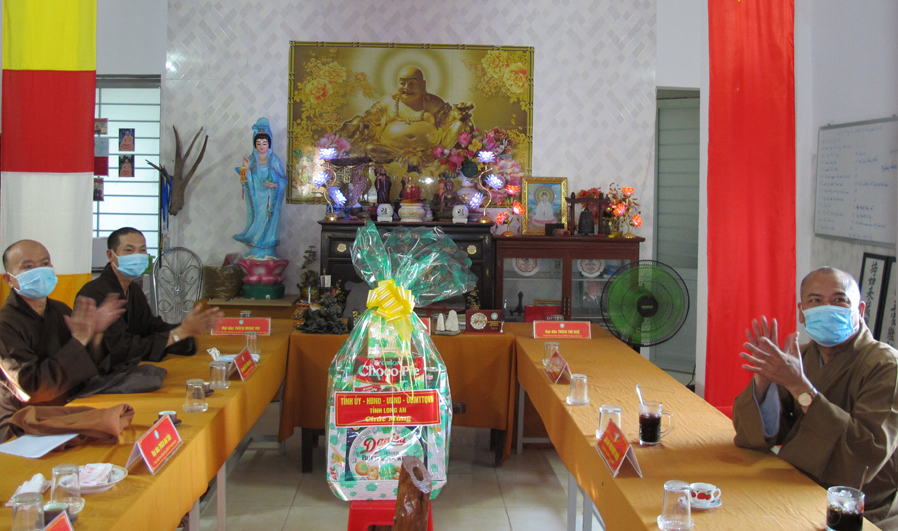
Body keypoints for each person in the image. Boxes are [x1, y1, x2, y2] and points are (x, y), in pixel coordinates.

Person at [733, 267, 898, 529]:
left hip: (858, 507)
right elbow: (760, 435)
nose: (827, 308)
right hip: (797, 482)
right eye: (816, 300)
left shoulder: (886, 365)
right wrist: (764, 382)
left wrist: (800, 386)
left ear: (860, 310)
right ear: (802, 312)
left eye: (839, 300)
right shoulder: (803, 356)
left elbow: (866, 451)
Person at [0, 240, 126, 442]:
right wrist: (79, 340)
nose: (40, 271)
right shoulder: (5, 325)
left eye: (45, 263)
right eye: (28, 267)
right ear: (9, 279)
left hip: (67, 410)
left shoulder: (60, 310)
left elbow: (89, 367)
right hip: (24, 423)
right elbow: (33, 388)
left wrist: (95, 335)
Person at [77, 228, 223, 371]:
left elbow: (150, 326)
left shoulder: (133, 290)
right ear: (111, 255)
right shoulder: (95, 293)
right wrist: (178, 333)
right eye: (129, 250)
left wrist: (188, 329)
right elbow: (119, 350)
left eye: (142, 250)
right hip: (99, 375)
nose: (137, 256)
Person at [336, 66, 474, 170]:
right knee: (371, 148)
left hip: (427, 154)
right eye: (402, 83)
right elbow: (369, 117)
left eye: (412, 83)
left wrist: (458, 116)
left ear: (422, 85)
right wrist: (359, 121)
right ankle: (407, 158)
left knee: (459, 126)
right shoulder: (388, 101)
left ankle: (415, 159)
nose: (406, 87)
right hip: (390, 152)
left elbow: (448, 121)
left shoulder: (434, 102)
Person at [233, 118, 287, 259]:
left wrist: (274, 185)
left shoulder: (274, 160)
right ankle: (255, 249)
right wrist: (246, 169)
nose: (261, 146)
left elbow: (283, 181)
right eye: (258, 144)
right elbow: (244, 180)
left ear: (269, 145)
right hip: (256, 198)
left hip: (270, 197)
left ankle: (267, 250)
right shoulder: (251, 159)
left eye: (264, 143)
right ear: (255, 146)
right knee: (256, 219)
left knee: (270, 219)